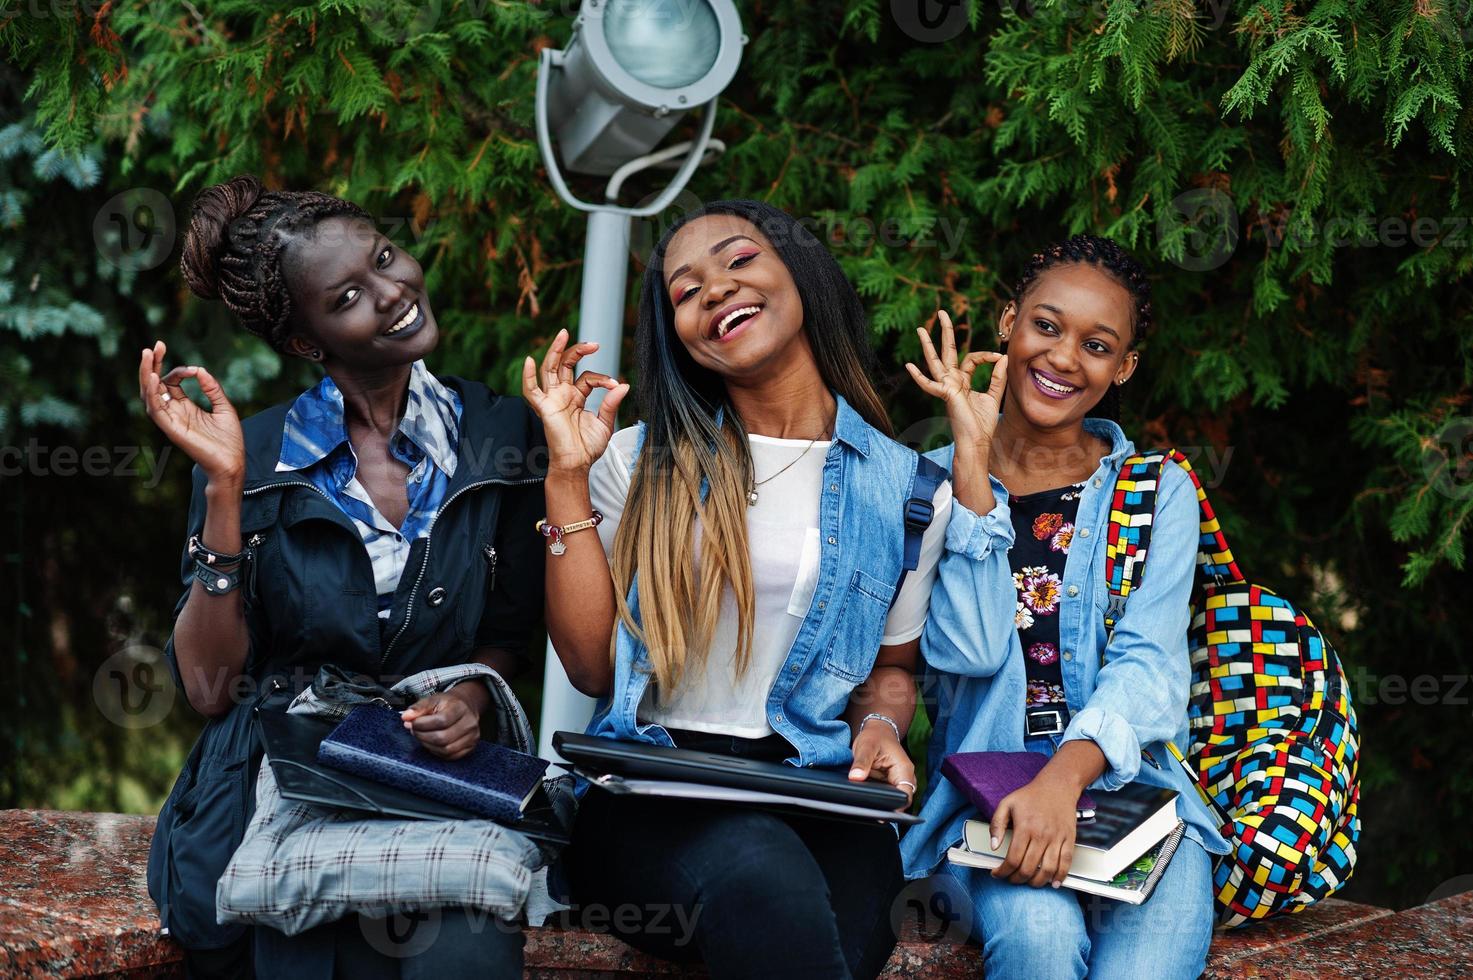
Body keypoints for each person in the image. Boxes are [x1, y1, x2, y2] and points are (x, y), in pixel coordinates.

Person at [521, 200, 951, 980]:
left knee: (852, 929)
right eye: (684, 291)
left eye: (738, 260)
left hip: (816, 791)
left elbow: (891, 669)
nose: (714, 289)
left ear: (801, 274)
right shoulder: (636, 461)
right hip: (653, 786)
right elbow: (587, 667)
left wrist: (883, 729)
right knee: (766, 883)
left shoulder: (910, 487)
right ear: (677, 336)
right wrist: (566, 476)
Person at [140, 175, 546, 978]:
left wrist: (469, 696)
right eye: (351, 295)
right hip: (283, 797)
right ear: (306, 342)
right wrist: (224, 490)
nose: (394, 292)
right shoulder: (250, 457)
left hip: (442, 791)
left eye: (386, 257)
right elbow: (210, 690)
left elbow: (511, 631)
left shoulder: (503, 438)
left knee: (466, 956)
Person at [899, 235, 1231, 977]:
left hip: (1136, 803)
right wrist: (973, 474)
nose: (1061, 358)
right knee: (1038, 943)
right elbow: (969, 650)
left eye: (1096, 344)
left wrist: (1061, 780)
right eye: (1045, 326)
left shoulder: (1154, 494)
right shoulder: (928, 486)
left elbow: (1147, 666)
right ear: (1008, 321)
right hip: (982, 813)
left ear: (1123, 367)